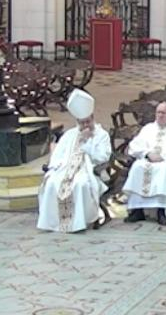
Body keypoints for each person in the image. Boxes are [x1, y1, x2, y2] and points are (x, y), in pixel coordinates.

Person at [37, 89, 111, 233]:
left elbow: (102, 157)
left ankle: (78, 222)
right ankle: (54, 223)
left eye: (88, 122)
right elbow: (58, 155)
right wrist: (54, 167)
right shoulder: (69, 135)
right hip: (65, 169)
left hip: (88, 170)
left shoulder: (102, 135)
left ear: (93, 118)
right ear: (77, 122)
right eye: (82, 123)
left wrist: (87, 143)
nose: (85, 126)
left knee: (80, 184)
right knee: (52, 183)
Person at [122, 102, 166, 225]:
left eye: (164, 113)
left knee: (163, 171)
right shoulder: (148, 128)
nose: (160, 115)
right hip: (148, 159)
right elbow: (135, 144)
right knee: (137, 167)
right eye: (158, 112)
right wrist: (148, 153)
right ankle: (137, 211)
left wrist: (163, 156)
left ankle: (161, 211)